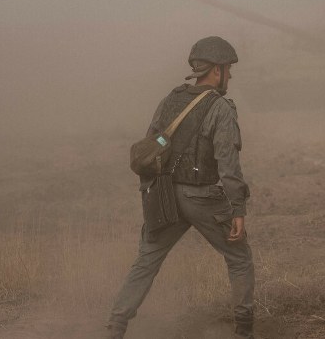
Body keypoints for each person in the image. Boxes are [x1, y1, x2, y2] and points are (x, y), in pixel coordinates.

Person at [106, 36, 255, 339]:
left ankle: (115, 327)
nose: (230, 76)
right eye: (228, 69)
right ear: (217, 70)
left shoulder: (170, 100)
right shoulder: (221, 107)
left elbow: (150, 148)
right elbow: (228, 166)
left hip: (164, 196)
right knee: (239, 259)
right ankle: (244, 332)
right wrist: (238, 210)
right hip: (202, 198)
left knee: (147, 261)